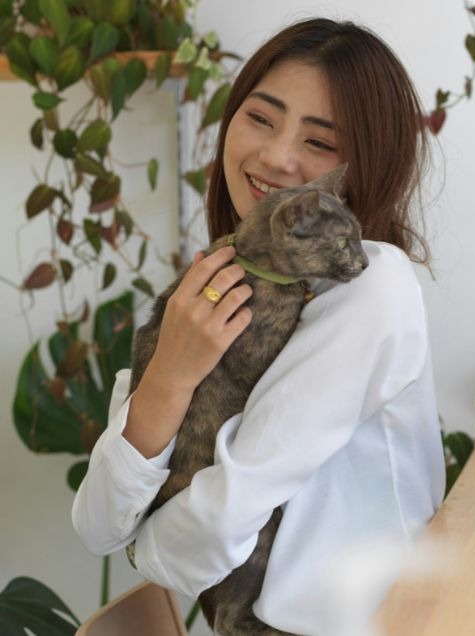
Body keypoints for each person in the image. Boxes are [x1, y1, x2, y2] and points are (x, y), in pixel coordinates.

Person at [71, 17, 445, 634]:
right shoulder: (215, 289)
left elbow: (214, 523)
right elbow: (95, 523)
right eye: (261, 118)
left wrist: (139, 546)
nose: (275, 155)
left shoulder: (374, 286)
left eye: (320, 143)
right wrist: (169, 373)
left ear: (360, 165)